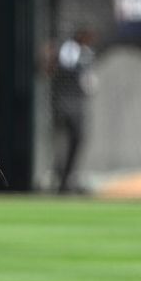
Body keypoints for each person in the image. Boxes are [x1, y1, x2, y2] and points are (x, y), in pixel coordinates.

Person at [49, 27, 97, 193]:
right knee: (62, 141)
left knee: (77, 139)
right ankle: (60, 177)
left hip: (77, 103)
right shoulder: (69, 49)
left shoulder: (86, 52)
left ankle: (67, 178)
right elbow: (68, 67)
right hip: (65, 102)